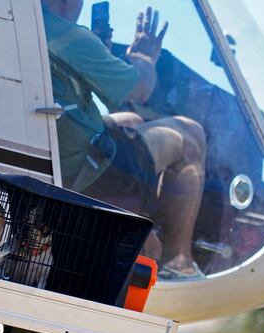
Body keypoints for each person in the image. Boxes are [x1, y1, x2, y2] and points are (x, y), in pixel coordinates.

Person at [42, 0, 206, 278]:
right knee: (190, 134)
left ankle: (152, 231)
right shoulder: (67, 35)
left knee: (133, 121)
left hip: (51, 151)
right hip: (87, 169)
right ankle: (176, 261)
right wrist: (144, 58)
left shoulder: (25, 25)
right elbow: (139, 89)